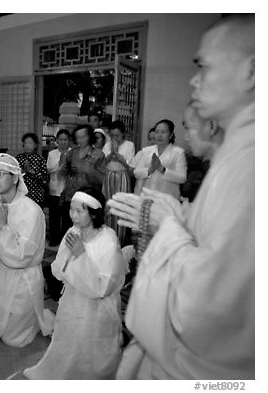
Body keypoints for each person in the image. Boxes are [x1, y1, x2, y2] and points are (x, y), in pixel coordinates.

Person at [109, 14, 254, 379]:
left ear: (251, 72)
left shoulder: (251, 159)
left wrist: (168, 224)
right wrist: (172, 212)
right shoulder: (237, 149)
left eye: (203, 67)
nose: (194, 79)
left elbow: (213, 301)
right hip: (154, 198)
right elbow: (141, 172)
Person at [24, 187, 125, 379]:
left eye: (80, 211)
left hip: (98, 308)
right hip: (74, 299)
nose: (73, 215)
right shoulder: (73, 232)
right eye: (72, 209)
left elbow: (104, 287)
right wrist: (71, 258)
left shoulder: (108, 240)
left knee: (92, 346)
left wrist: (80, 255)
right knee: (71, 341)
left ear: (94, 214)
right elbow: (59, 268)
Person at [0, 153, 54, 347]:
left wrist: (3, 226)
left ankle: (33, 317)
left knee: (13, 339)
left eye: (1, 174)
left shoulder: (31, 210)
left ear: (15, 178)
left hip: (23, 277)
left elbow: (21, 256)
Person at [60, 124, 106, 236]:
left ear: (90, 136)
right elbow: (63, 173)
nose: (80, 139)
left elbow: (101, 178)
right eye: (78, 137)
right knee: (68, 228)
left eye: (83, 136)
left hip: (88, 197)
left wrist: (86, 170)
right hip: (70, 196)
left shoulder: (98, 154)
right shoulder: (71, 153)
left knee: (85, 229)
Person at [131, 119, 187, 198]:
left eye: (163, 132)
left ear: (171, 135)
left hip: (167, 197)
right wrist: (150, 170)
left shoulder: (178, 152)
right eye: (157, 132)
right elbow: (136, 173)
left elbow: (182, 178)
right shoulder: (146, 151)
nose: (159, 135)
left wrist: (163, 170)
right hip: (147, 196)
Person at [102, 121, 135, 246]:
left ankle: (120, 239)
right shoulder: (107, 145)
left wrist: (118, 155)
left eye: (117, 135)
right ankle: (107, 238)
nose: (114, 138)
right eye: (112, 136)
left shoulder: (129, 145)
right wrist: (112, 152)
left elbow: (130, 165)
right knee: (108, 205)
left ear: (123, 134)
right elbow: (103, 162)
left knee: (121, 206)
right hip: (109, 176)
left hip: (122, 176)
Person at [46, 129, 71, 246]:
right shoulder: (52, 154)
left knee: (67, 217)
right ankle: (54, 239)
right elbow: (49, 169)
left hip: (68, 189)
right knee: (54, 216)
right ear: (57, 141)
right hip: (55, 188)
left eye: (65, 139)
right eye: (60, 139)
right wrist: (60, 165)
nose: (63, 142)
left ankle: (66, 241)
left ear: (69, 141)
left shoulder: (73, 153)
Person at [16, 133, 47, 207]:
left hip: (36, 194)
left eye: (30, 143)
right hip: (21, 193)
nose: (27, 145)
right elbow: (13, 174)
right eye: (25, 143)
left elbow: (45, 178)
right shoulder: (19, 158)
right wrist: (22, 171)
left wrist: (31, 172)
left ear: (35, 145)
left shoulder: (40, 159)